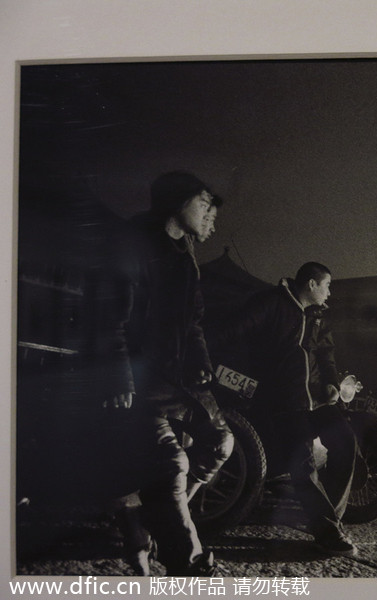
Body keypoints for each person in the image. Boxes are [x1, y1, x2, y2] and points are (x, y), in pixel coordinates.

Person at [102, 170, 233, 576]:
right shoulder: (132, 241)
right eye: (204, 203)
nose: (210, 214)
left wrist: (202, 366)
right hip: (138, 379)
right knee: (170, 463)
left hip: (175, 379)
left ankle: (155, 518)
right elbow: (110, 313)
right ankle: (188, 561)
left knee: (221, 442)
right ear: (177, 202)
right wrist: (118, 374)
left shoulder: (186, 256)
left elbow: (193, 323)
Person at [210, 262, 358, 557]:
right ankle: (327, 532)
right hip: (283, 401)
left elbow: (326, 355)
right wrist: (208, 360)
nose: (330, 292)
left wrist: (330, 381)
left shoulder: (317, 317)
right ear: (312, 284)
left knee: (346, 441)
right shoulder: (272, 303)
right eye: (327, 285)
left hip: (316, 400)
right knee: (302, 465)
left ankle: (331, 517)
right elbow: (231, 331)